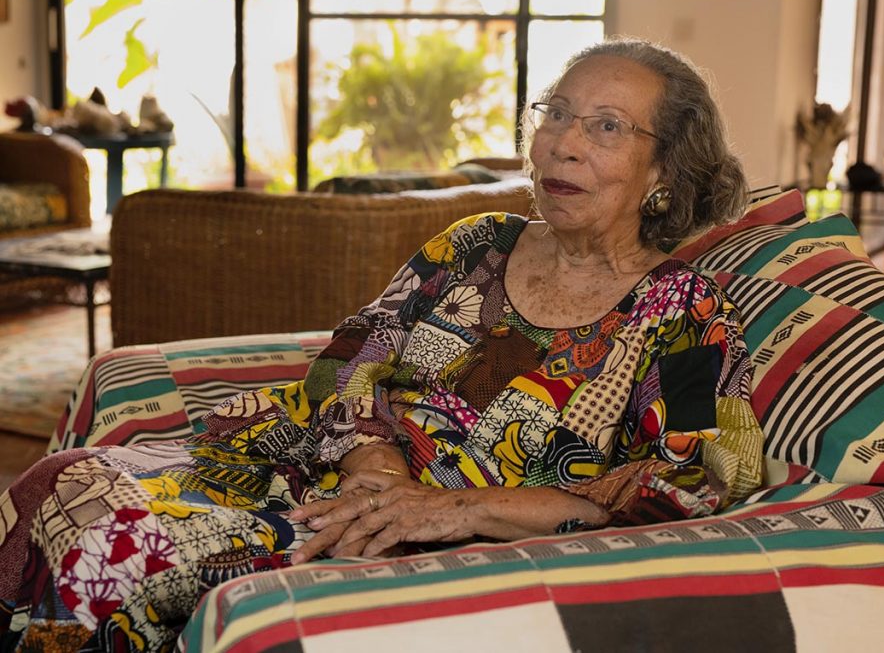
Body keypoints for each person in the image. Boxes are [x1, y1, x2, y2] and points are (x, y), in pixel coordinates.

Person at [0, 36, 763, 651]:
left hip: (432, 536)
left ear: (664, 167)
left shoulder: (687, 315)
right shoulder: (479, 243)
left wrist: (446, 508)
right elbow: (350, 357)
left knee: (119, 549)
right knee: (66, 478)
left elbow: (684, 487)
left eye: (605, 126)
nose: (561, 143)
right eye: (556, 113)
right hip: (329, 473)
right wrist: (378, 465)